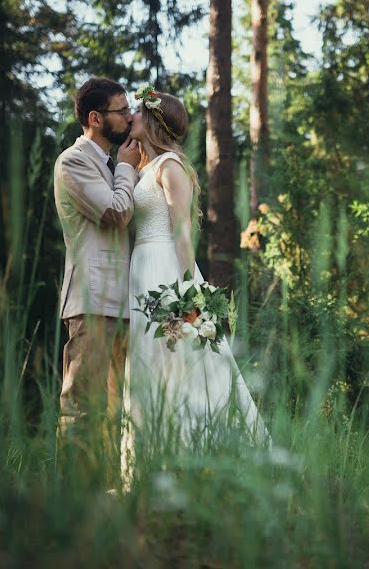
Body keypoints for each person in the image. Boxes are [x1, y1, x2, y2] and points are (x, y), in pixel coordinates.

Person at [121, 86, 269, 480]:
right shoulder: (143, 168)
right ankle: (151, 465)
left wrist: (192, 292)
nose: (131, 116)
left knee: (181, 361)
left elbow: (183, 233)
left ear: (152, 121)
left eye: (138, 111)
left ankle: (198, 459)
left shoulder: (171, 167)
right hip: (141, 270)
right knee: (148, 366)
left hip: (166, 273)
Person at [53, 77, 142, 485]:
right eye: (121, 111)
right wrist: (126, 168)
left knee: (116, 410)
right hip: (91, 300)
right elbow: (115, 213)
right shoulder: (72, 162)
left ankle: (106, 498)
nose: (128, 116)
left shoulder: (109, 163)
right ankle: (72, 498)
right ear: (95, 118)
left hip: (124, 302)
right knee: (82, 406)